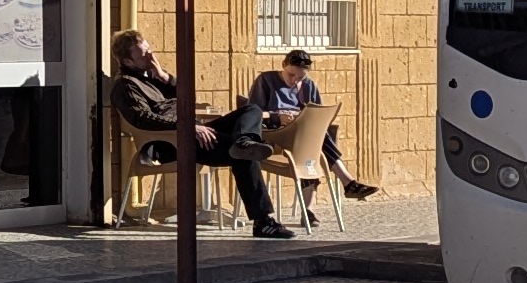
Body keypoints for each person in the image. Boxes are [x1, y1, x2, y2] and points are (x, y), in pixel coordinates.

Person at [115, 29, 291, 239]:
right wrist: (186, 126)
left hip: (193, 130)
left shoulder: (152, 76)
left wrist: (164, 76)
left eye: (149, 50)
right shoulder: (126, 85)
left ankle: (244, 141)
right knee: (243, 154)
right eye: (143, 54)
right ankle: (263, 221)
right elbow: (143, 118)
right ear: (128, 61)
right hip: (172, 141)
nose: (151, 56)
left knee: (251, 110)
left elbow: (187, 97)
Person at [241, 49, 381, 205]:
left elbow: (317, 115)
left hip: (301, 135)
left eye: (300, 77)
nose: (294, 80)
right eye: (291, 75)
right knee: (313, 139)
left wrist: (302, 117)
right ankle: (347, 183)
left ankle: (310, 209)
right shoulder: (266, 80)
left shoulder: (309, 86)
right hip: (274, 133)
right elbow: (253, 113)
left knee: (314, 135)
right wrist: (277, 116)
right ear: (283, 65)